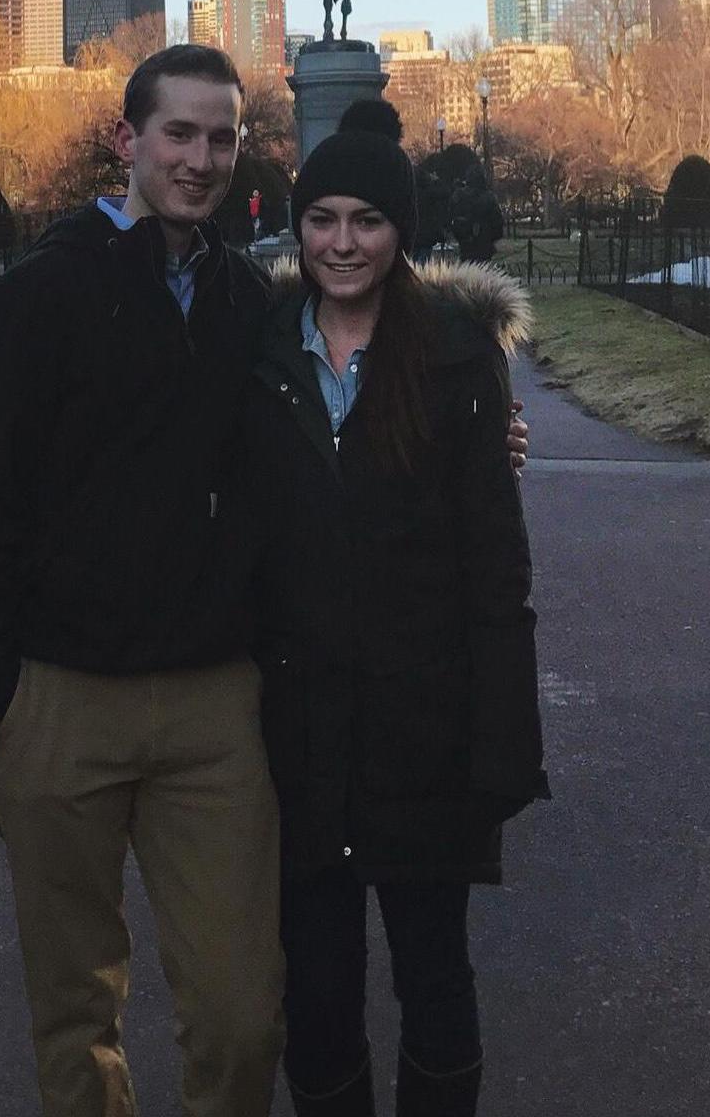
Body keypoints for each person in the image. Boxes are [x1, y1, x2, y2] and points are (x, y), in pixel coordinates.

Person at [0, 45, 284, 1117]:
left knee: (240, 1013)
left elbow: (317, 437)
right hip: (59, 696)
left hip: (213, 703)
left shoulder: (244, 298)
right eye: (178, 132)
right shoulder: (41, 292)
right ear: (127, 141)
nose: (200, 157)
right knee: (75, 1015)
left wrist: (473, 429)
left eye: (219, 137)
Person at [242, 126, 549, 1116]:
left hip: (422, 725)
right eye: (322, 218)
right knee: (316, 989)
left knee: (433, 973)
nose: (341, 241)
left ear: (399, 234)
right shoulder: (258, 353)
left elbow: (495, 571)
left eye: (366, 221)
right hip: (298, 732)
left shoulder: (454, 360)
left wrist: (501, 742)